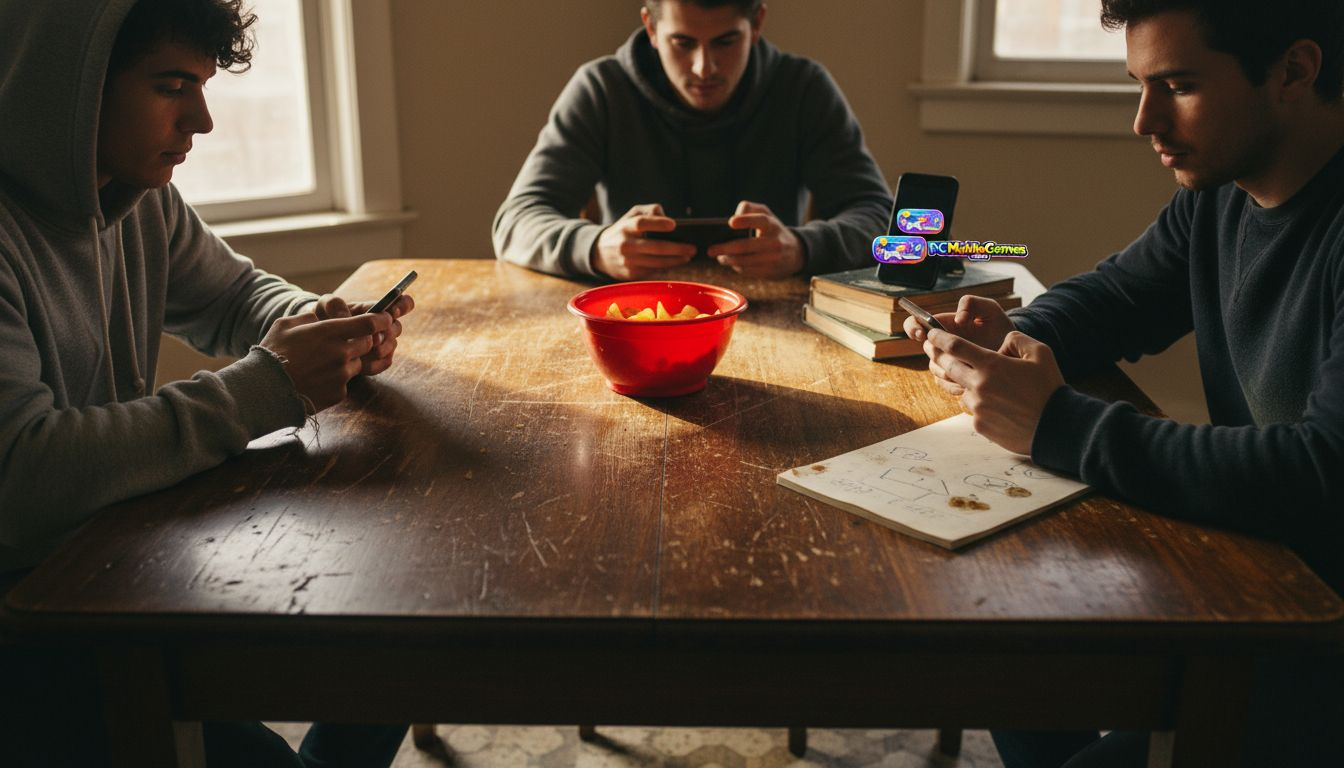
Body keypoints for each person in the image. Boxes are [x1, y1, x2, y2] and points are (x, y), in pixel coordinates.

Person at [900, 0, 1344, 765]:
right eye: (1139, 83)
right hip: (1256, 572)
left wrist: (1056, 425)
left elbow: (1321, 472)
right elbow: (1116, 297)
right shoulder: (1216, 197)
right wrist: (1015, 339)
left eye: (1177, 85)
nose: (1143, 121)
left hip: (1315, 633)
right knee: (1003, 648)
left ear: (1294, 72)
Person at [0, 0, 412, 764]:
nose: (203, 121)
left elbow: (233, 296)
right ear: (74, 84)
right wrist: (270, 384)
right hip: (30, 632)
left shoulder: (137, 195)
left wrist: (320, 323)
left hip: (113, 560)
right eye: (169, 87)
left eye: (203, 85)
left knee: (405, 630)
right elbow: (22, 478)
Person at [492, 0, 892, 281]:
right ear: (651, 27)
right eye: (683, 43)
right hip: (639, 317)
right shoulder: (601, 89)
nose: (705, 68)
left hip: (783, 316)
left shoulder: (804, 88)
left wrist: (803, 248)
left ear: (756, 24)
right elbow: (515, 222)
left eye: (725, 41)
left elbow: (883, 221)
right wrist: (596, 246)